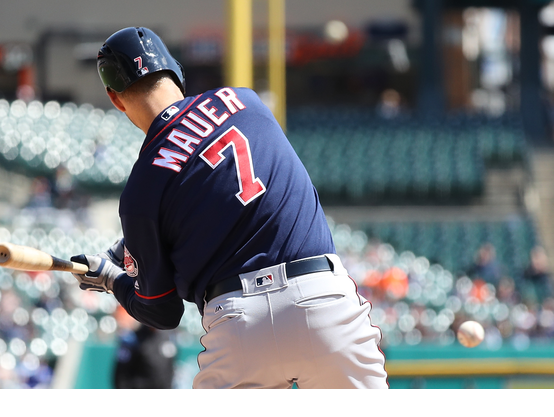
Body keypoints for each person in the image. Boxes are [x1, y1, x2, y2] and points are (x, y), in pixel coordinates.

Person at [70, 27, 387, 389]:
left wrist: (114, 278)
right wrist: (134, 248)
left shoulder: (141, 191)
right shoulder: (246, 101)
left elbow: (161, 311)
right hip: (322, 298)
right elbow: (225, 191)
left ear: (115, 99)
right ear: (176, 71)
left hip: (238, 324)